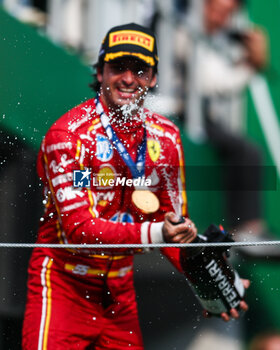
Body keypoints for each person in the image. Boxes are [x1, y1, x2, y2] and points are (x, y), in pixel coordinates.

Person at [22, 23, 248, 349]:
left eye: (140, 70)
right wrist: (160, 233)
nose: (128, 78)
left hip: (119, 293)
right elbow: (79, 230)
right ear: (100, 71)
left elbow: (174, 229)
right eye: (118, 67)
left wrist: (214, 282)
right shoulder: (68, 136)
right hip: (62, 284)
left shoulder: (167, 138)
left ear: (154, 78)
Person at [174, 0, 278, 258]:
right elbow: (213, 83)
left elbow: (217, 80)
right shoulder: (183, 31)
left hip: (194, 114)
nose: (220, 19)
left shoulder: (209, 39)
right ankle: (246, 229)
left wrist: (249, 62)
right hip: (179, 115)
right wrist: (251, 64)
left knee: (247, 150)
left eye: (226, 14)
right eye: (216, 10)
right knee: (247, 151)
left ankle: (246, 229)